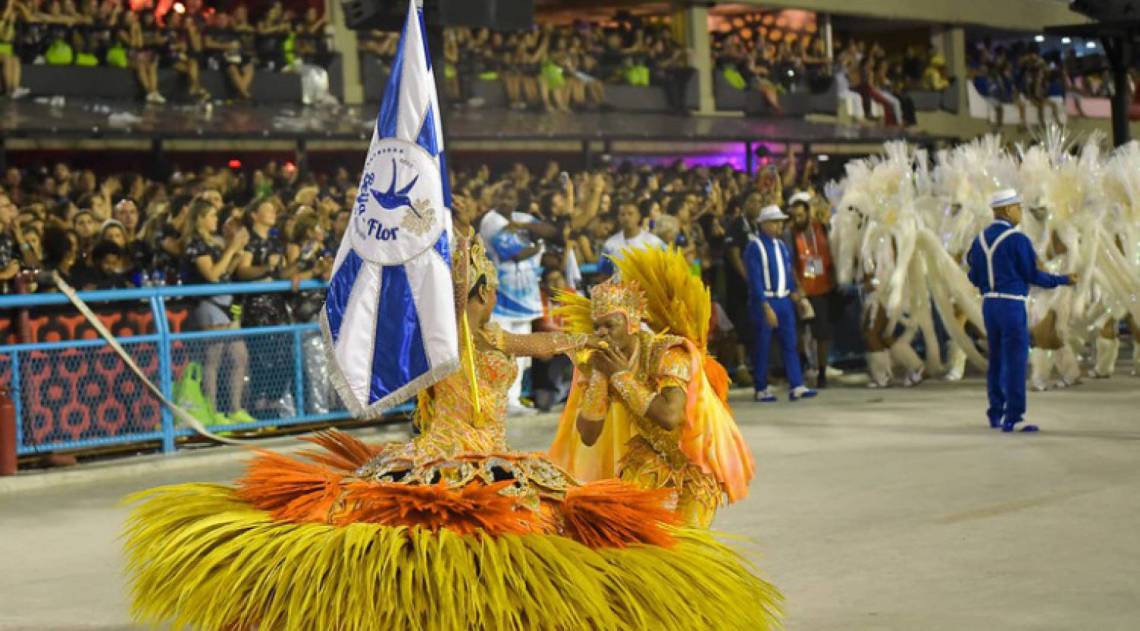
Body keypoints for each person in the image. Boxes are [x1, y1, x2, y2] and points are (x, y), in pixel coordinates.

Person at [122, 233, 782, 631]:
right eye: (478, 287)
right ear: (471, 292)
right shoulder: (439, 345)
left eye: (481, 286)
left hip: (536, 458)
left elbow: (542, 344)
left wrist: (587, 346)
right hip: (450, 455)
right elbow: (395, 380)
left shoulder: (494, 337)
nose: (485, 297)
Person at [550, 247, 755, 528]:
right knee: (627, 528)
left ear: (632, 321)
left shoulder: (668, 353)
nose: (602, 334)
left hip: (696, 460)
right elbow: (588, 435)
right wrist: (599, 377)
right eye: (597, 327)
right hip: (650, 454)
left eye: (610, 325)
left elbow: (670, 417)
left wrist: (621, 376)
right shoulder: (604, 362)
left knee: (685, 547)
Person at [966, 189, 1076, 433]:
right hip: (1012, 304)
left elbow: (972, 274)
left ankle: (995, 412)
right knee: (1015, 360)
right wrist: (1063, 279)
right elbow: (1033, 275)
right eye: (1017, 207)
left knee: (996, 359)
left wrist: (989, 283)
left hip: (989, 305)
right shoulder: (1018, 240)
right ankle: (1013, 417)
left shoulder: (979, 239)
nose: (1020, 212)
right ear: (1006, 210)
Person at [180, 198, 254, 425]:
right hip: (209, 305)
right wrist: (230, 249)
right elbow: (211, 275)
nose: (215, 220)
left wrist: (236, 254)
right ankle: (211, 411)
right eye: (211, 215)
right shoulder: (195, 244)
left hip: (225, 304)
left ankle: (235, 409)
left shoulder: (213, 242)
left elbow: (224, 273)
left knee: (239, 356)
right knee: (213, 359)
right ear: (200, 219)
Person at [744, 204, 816, 402]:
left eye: (780, 222)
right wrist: (765, 305)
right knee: (763, 345)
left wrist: (794, 294)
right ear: (764, 224)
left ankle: (797, 384)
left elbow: (787, 272)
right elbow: (755, 278)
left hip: (784, 300)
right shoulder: (755, 247)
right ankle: (761, 387)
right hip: (766, 300)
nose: (779, 226)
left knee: (790, 344)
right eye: (775, 222)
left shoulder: (781, 246)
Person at [786, 192, 838, 388]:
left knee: (822, 334)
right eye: (794, 216)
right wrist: (797, 288)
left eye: (800, 215)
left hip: (822, 288)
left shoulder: (821, 228)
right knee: (800, 333)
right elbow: (790, 263)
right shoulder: (790, 233)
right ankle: (802, 369)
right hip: (802, 292)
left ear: (808, 213)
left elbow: (831, 254)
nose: (797, 219)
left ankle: (822, 372)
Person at [597, 200, 665, 277]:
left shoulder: (654, 242)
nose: (626, 218)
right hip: (619, 287)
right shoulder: (610, 244)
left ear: (639, 216)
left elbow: (666, 266)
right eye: (622, 214)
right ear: (618, 218)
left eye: (630, 214)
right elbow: (604, 273)